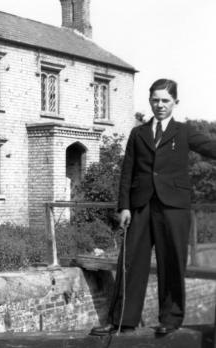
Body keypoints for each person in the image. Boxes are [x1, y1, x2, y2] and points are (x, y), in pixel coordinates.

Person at [90, 78, 216, 336]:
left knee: (172, 262)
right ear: (150, 101)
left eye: (165, 100)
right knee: (131, 261)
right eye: (155, 100)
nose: (160, 105)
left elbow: (211, 148)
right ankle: (123, 320)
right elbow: (127, 172)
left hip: (174, 207)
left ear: (175, 103)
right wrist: (123, 206)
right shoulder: (138, 133)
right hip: (140, 205)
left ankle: (170, 319)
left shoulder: (184, 131)